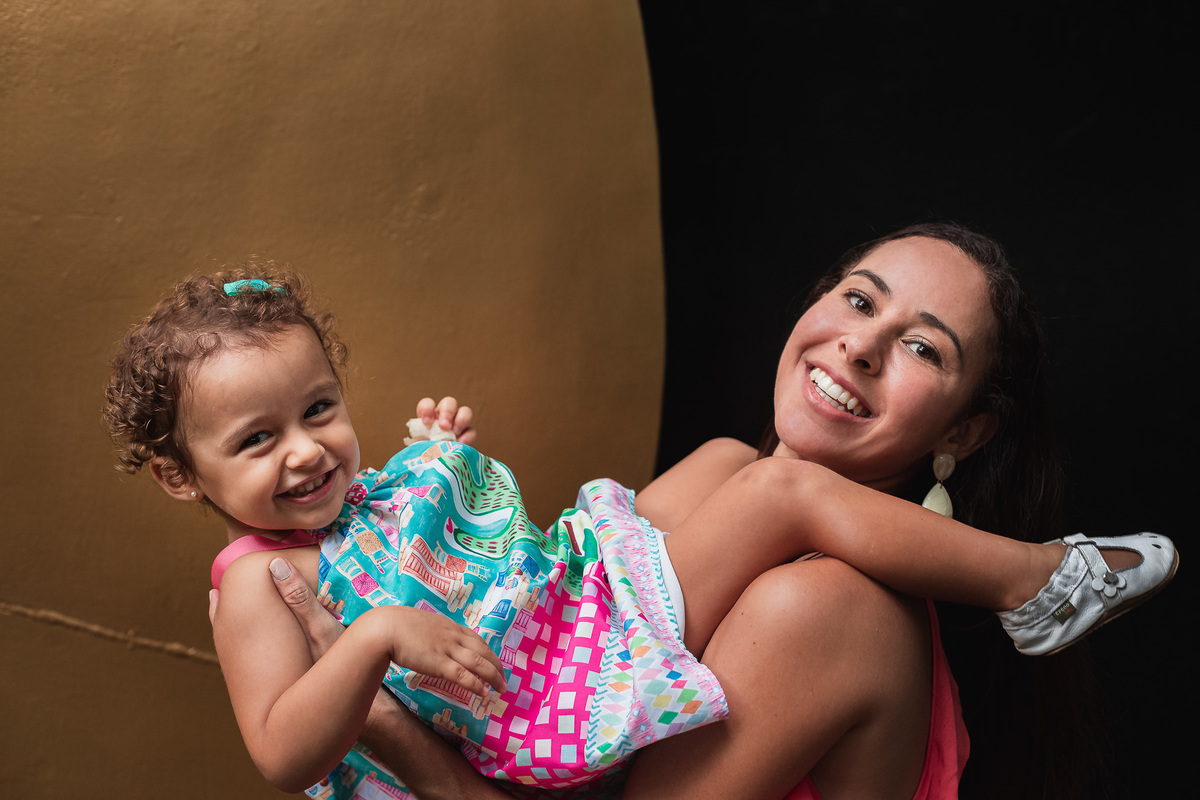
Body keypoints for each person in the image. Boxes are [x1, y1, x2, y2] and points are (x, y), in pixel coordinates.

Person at [104, 230, 1175, 799]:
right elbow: (527, 596)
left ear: (967, 434)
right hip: (537, 718)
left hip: (533, 729)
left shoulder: (836, 608)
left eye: (923, 345)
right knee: (748, 475)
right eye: (858, 298)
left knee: (771, 489)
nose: (859, 343)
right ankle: (1034, 579)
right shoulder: (264, 575)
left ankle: (1037, 580)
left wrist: (434, 483)